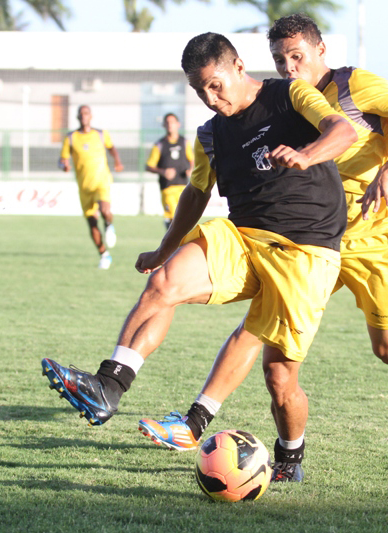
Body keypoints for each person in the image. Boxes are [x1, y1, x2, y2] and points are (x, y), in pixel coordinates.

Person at [137, 14, 388, 482]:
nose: (289, 67)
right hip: (310, 238)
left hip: (374, 236)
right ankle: (263, 449)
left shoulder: (354, 88)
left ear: (321, 51)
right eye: (280, 60)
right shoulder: (281, 102)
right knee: (268, 347)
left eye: (297, 56)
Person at [41, 32, 358, 482]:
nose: (210, 98)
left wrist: (306, 156)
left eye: (215, 85)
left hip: (307, 250)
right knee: (163, 283)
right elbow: (196, 192)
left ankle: (289, 457)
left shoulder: (290, 94)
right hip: (243, 237)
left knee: (279, 377)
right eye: (199, 89)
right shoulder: (210, 134)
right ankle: (108, 386)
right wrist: (163, 249)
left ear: (239, 67)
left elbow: (343, 130)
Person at [59, 105, 124, 269]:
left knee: (105, 210)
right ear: (77, 117)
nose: (84, 116)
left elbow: (111, 147)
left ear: (91, 116)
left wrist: (117, 161)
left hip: (101, 181)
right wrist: (64, 165)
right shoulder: (71, 138)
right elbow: (62, 159)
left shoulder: (100, 134)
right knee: (92, 223)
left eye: (86, 113)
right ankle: (104, 255)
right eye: (81, 114)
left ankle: (109, 225)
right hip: (84, 187)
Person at [146, 113, 195, 229]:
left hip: (183, 187)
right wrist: (163, 172)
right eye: (167, 122)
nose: (170, 125)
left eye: (172, 122)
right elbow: (149, 166)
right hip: (167, 188)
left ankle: (179, 239)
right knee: (173, 219)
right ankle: (172, 238)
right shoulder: (159, 145)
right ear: (164, 125)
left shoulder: (184, 142)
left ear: (178, 124)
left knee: (184, 218)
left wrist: (190, 169)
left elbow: (192, 159)